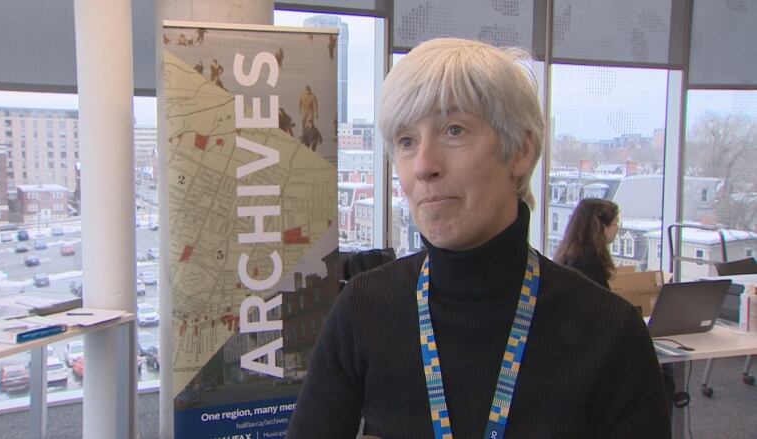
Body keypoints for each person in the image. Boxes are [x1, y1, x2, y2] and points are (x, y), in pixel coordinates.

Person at [287, 38, 670, 438]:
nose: (423, 165)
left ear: (520, 150)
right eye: (406, 141)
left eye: (454, 130)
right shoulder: (364, 310)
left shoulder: (609, 333)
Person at [554, 198, 620, 289]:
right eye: (616, 223)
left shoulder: (571, 256)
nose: (617, 229)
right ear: (601, 227)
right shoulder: (589, 263)